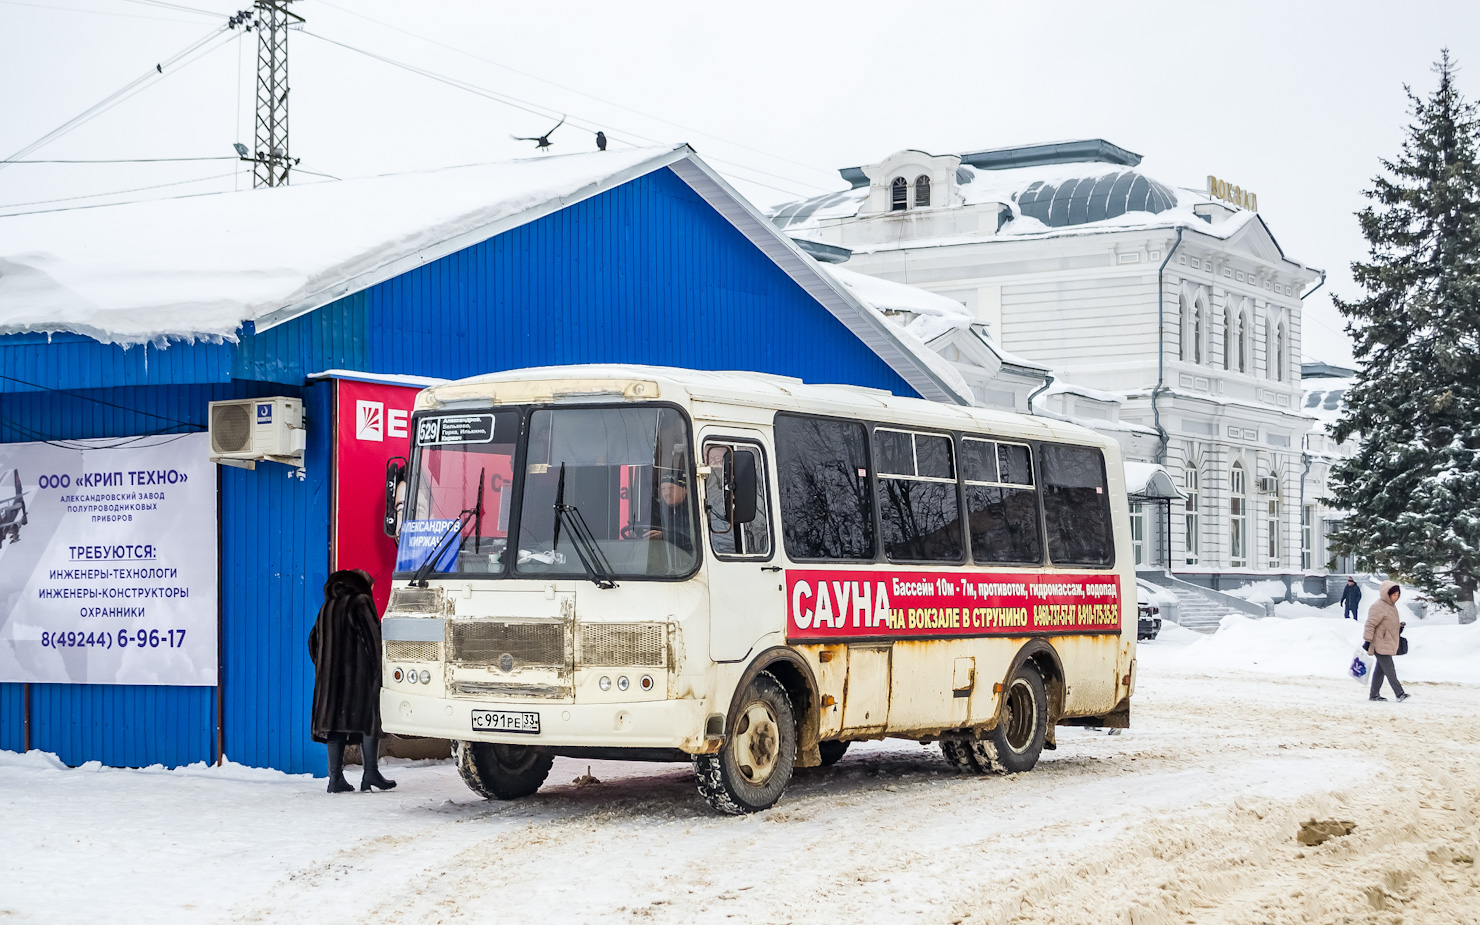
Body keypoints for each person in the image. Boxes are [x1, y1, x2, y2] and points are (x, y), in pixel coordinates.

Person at [308, 569, 397, 793]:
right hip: (359, 678)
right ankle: (370, 773)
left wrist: (323, 666)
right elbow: (373, 638)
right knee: (369, 720)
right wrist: (379, 670)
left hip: (329, 680)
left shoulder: (327, 606)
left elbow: (312, 641)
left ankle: (335, 778)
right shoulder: (360, 602)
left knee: (334, 725)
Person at [1363, 580, 1409, 702]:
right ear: (1386, 593)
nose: (1396, 597)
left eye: (1398, 595)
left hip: (1386, 642)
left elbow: (1387, 624)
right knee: (1390, 670)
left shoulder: (1390, 606)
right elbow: (1370, 624)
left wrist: (1399, 627)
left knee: (1380, 671)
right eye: (1394, 595)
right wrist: (1367, 640)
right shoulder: (1378, 606)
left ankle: (1374, 695)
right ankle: (1399, 694)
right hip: (1379, 643)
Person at [645, 471, 694, 553]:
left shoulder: (695, 511)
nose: (666, 493)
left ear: (685, 489)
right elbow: (652, 526)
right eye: (663, 489)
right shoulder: (658, 509)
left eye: (671, 488)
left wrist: (665, 536)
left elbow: (694, 539)